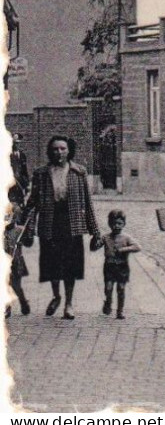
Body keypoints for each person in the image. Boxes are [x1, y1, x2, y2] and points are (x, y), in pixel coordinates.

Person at [24, 135, 101, 320]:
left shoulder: (79, 172)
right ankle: (56, 296)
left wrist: (95, 232)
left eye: (63, 149)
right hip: (50, 223)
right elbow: (33, 203)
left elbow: (88, 204)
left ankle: (68, 303)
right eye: (55, 149)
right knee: (52, 264)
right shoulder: (41, 173)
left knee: (71, 265)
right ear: (50, 151)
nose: (59, 152)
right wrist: (27, 228)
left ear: (69, 151)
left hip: (72, 223)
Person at [97, 209, 140, 319]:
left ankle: (120, 311)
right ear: (109, 224)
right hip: (109, 266)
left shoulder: (126, 237)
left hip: (122, 266)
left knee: (121, 289)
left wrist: (124, 249)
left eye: (119, 223)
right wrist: (95, 238)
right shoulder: (106, 237)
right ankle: (108, 301)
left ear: (124, 224)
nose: (116, 226)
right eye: (113, 223)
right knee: (108, 288)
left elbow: (137, 247)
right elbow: (95, 246)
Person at [5, 183, 32, 318]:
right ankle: (7, 306)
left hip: (14, 255)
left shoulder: (14, 209)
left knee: (15, 283)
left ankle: (22, 301)